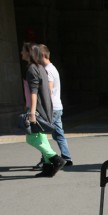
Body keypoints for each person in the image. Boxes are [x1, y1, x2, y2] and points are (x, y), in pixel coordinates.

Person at [21, 42, 66, 177]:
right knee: (42, 138)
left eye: (23, 50)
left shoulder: (32, 69)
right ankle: (47, 167)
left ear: (29, 53)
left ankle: (56, 159)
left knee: (31, 138)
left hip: (38, 109)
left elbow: (34, 92)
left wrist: (32, 112)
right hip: (44, 107)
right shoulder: (41, 68)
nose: (21, 53)